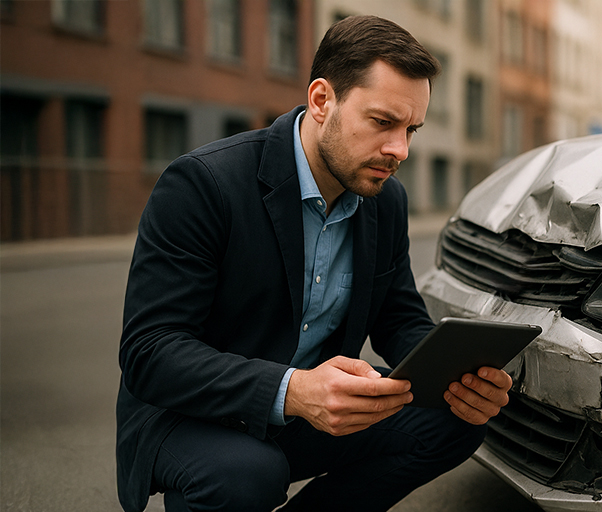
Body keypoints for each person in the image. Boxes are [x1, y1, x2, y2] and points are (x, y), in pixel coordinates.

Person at [116, 15, 513, 512]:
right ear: (322, 101)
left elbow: (399, 318)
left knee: (453, 423)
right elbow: (150, 352)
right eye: (383, 122)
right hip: (194, 413)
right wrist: (293, 389)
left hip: (312, 409)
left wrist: (457, 379)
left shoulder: (385, 201)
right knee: (247, 474)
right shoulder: (203, 185)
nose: (400, 150)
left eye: (411, 129)